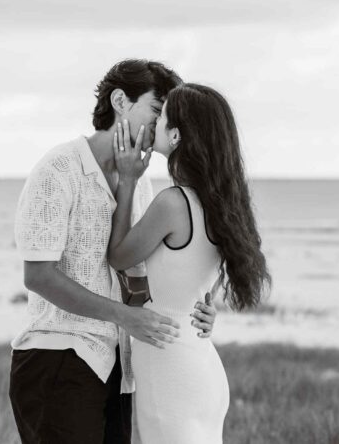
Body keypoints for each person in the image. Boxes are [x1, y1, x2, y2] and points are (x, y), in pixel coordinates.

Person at [9, 59, 218, 444]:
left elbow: (136, 274)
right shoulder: (59, 168)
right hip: (58, 357)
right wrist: (125, 316)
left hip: (119, 366)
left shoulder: (139, 183)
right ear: (120, 100)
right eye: (157, 110)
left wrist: (197, 307)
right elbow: (38, 275)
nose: (163, 126)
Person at [107, 83, 271, 443]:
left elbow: (118, 255)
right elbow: (199, 284)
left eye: (161, 116)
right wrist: (205, 307)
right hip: (199, 365)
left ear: (177, 135)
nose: (154, 122)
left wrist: (129, 180)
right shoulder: (223, 205)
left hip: (171, 369)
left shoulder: (173, 203)